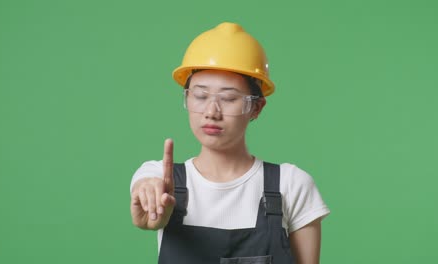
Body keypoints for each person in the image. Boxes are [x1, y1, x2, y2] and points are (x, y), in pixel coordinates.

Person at [130, 22, 330, 264]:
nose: (211, 111)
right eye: (200, 96)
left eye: (228, 98)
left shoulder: (291, 185)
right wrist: (153, 206)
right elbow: (146, 190)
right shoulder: (160, 177)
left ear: (256, 107)